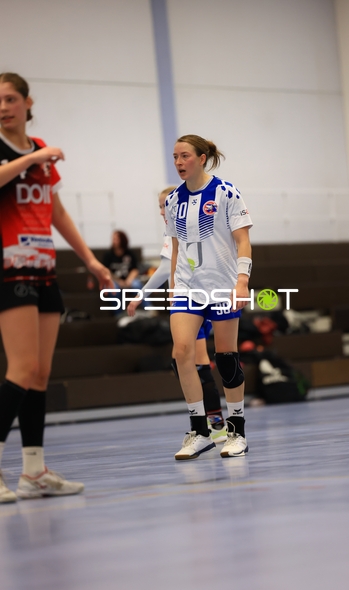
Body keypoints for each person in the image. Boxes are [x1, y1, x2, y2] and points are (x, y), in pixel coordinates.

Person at [0, 72, 114, 503]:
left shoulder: (39, 150)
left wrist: (91, 260)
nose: (3, 107)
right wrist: (35, 158)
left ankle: (34, 472)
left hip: (44, 268)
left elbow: (57, 212)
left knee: (41, 374)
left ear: (27, 103)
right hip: (9, 269)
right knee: (22, 368)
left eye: (10, 99)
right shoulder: (27, 153)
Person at [165, 134, 253, 460]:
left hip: (223, 285)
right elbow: (176, 248)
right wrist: (173, 286)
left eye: (185, 156)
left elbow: (243, 241)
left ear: (202, 158)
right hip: (188, 288)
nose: (179, 162)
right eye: (175, 157)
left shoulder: (226, 192)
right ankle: (200, 431)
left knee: (226, 358)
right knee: (181, 352)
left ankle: (236, 431)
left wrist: (242, 281)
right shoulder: (173, 200)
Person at [127, 187, 227, 443]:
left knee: (195, 362)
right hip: (193, 300)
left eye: (165, 205)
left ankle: (214, 425)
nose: (163, 211)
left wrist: (140, 296)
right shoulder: (179, 227)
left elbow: (163, 269)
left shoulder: (182, 227)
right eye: (160, 207)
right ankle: (213, 424)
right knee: (188, 361)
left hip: (193, 302)